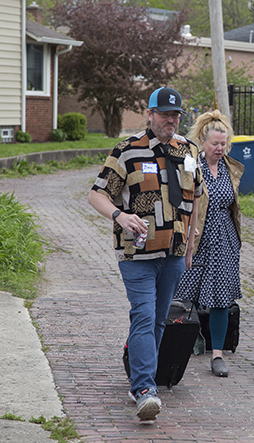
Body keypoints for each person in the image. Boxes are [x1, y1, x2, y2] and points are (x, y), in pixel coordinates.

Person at [88, 86, 202, 423]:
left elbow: (194, 199)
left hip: (174, 252)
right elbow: (97, 195)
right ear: (149, 114)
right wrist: (119, 216)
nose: (170, 119)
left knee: (157, 319)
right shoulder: (127, 150)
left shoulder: (188, 150)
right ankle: (143, 389)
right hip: (137, 253)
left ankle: (138, 365)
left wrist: (190, 245)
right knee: (144, 315)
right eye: (164, 114)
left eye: (175, 114)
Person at [174, 110, 244, 377]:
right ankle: (178, 343)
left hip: (225, 239)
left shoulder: (230, 168)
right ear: (202, 142)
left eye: (223, 143)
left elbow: (233, 206)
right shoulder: (193, 166)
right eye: (215, 143)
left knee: (220, 300)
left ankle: (217, 354)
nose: (219, 148)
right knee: (184, 293)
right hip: (197, 237)